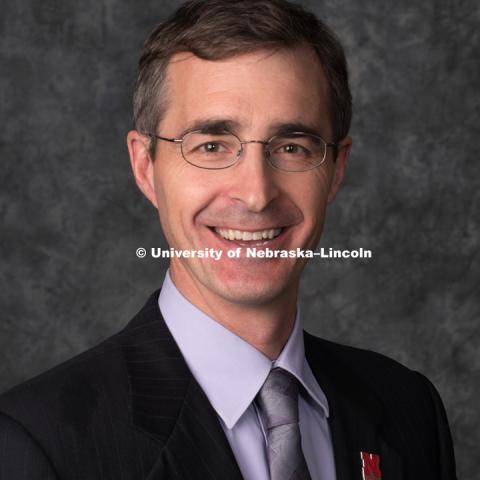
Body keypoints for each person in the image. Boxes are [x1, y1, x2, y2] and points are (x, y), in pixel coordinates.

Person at [0, 0, 457, 479]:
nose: (256, 194)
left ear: (337, 169)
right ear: (146, 167)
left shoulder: (409, 409)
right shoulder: (39, 442)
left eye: (292, 147)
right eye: (212, 146)